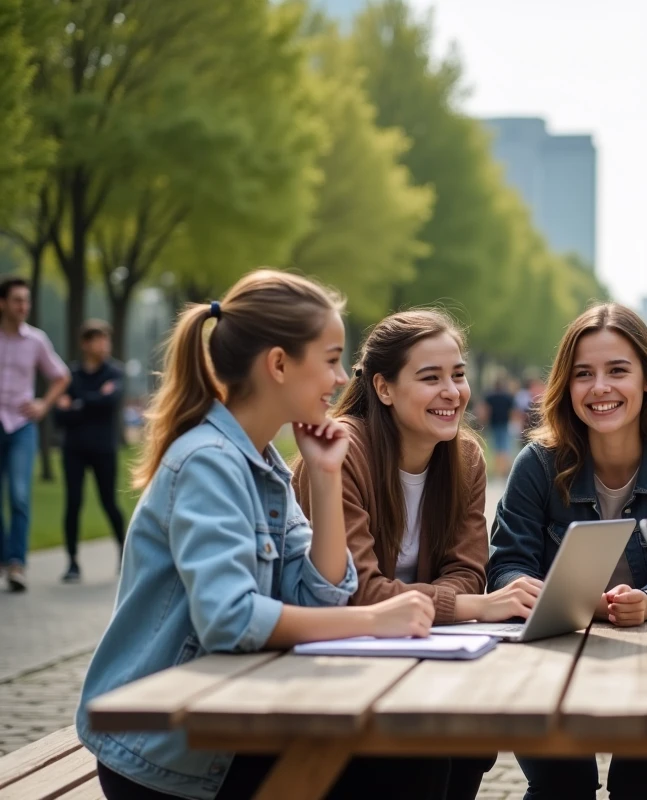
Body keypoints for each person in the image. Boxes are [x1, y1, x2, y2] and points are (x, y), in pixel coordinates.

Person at [75, 271, 447, 800]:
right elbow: (230, 620)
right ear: (278, 364)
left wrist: (324, 476)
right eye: (330, 358)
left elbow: (320, 593)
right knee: (394, 769)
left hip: (225, 724)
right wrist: (373, 619)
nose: (342, 378)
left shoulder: (264, 462)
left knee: (412, 761)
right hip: (166, 750)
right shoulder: (207, 463)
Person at [293, 310, 542, 798]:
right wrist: (473, 608)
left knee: (471, 738)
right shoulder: (340, 454)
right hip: (335, 667)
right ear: (383, 388)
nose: (452, 391)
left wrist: (441, 602)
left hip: (421, 652)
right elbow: (356, 591)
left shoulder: (464, 458)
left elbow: (467, 570)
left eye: (458, 374)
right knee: (422, 755)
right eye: (430, 378)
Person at [489, 303, 647, 800]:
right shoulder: (537, 463)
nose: (600, 388)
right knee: (560, 784)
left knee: (642, 785)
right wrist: (562, 598)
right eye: (583, 374)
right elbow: (506, 565)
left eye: (617, 370)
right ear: (566, 385)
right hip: (550, 654)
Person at [0, 276, 70, 592]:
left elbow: (60, 376)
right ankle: (5, 557)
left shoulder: (36, 341)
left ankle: (16, 564)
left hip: (21, 426)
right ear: (3, 303)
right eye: (17, 300)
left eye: (26, 300)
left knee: (19, 495)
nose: (23, 306)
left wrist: (43, 406)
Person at [54, 320, 126, 583]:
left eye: (106, 339)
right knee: (73, 503)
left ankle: (124, 553)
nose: (104, 345)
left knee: (109, 503)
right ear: (85, 344)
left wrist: (77, 403)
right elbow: (59, 415)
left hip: (104, 449)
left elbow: (110, 402)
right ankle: (72, 562)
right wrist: (91, 400)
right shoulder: (69, 375)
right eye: (98, 340)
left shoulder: (114, 372)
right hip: (74, 449)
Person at [483, 377, 517, 477]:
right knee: (505, 447)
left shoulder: (490, 397)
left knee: (496, 448)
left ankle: (498, 470)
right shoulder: (507, 397)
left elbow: (486, 411)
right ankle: (504, 469)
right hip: (504, 424)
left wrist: (485, 422)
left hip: (493, 424)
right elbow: (512, 411)